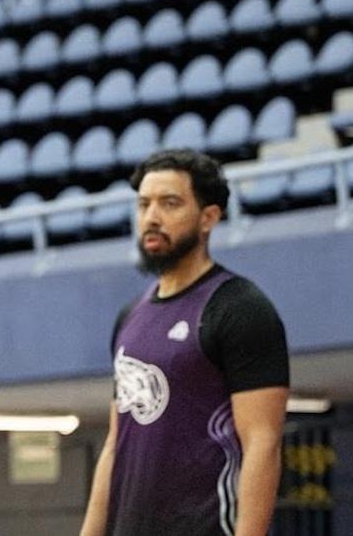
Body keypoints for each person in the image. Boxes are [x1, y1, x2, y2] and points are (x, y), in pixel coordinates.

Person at [79, 149, 290, 536]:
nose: (152, 217)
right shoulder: (131, 316)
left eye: (170, 203)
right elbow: (115, 443)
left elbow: (262, 442)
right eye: (144, 205)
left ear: (209, 217)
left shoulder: (240, 308)